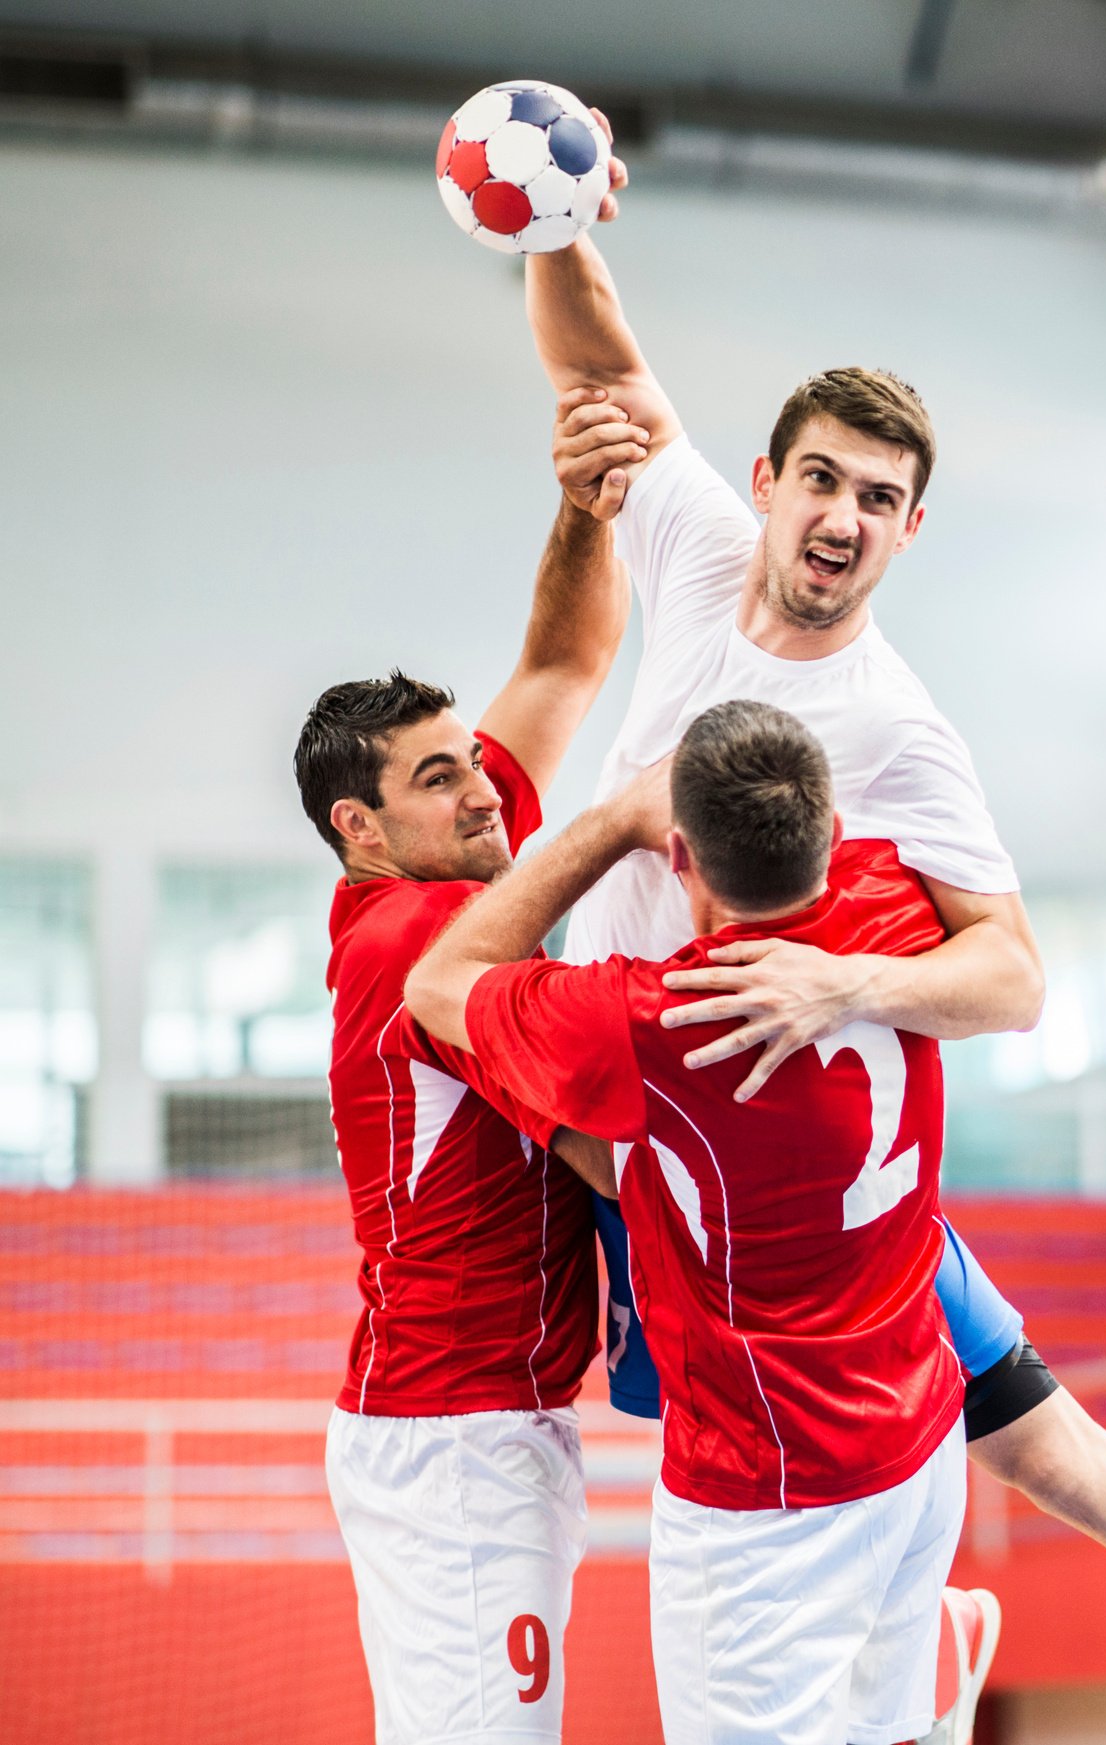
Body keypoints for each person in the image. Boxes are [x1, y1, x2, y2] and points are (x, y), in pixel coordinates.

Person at [523, 120, 1106, 1728]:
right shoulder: (690, 543)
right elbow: (600, 353)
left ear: (908, 531)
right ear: (768, 481)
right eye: (824, 479)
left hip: (797, 1171)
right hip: (652, 1133)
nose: (845, 517)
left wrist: (835, 981)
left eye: (882, 500)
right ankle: (921, 1642)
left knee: (1041, 1450)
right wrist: (546, 218)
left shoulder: (896, 727)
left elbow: (1012, 973)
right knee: (803, 1446)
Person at [405, 701, 969, 1745]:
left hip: (768, 1500)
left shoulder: (654, 1019)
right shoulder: (892, 903)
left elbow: (437, 981)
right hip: (923, 1439)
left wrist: (614, 817)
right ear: (832, 831)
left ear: (680, 857)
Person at [295, 462, 628, 1744]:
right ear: (361, 827)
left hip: (470, 1422)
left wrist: (589, 498)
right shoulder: (423, 938)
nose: (484, 788)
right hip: (459, 1442)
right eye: (441, 777)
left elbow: (560, 667)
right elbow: (612, 1152)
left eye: (467, 763)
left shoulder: (452, 876)